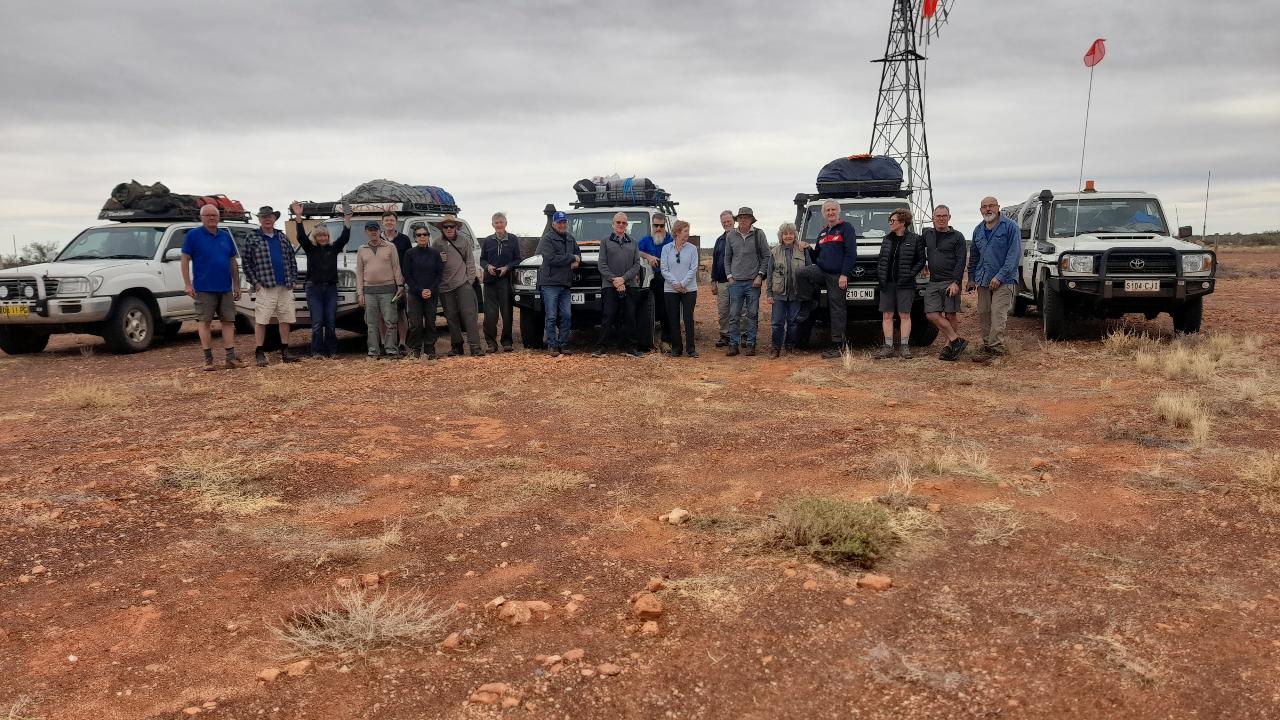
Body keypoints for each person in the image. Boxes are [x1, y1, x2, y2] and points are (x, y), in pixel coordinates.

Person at [181, 204, 246, 370]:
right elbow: (185, 259)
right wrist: (188, 284)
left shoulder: (225, 236)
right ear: (201, 217)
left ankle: (230, 358)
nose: (211, 218)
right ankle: (208, 360)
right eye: (208, 215)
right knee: (204, 322)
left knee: (228, 321)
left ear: (219, 217)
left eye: (214, 215)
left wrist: (236, 285)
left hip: (225, 287)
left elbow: (232, 261)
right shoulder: (193, 235)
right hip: (203, 287)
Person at [797, 199, 858, 359]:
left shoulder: (847, 228)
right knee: (801, 273)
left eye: (833, 210)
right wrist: (808, 248)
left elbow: (851, 253)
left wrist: (845, 274)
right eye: (827, 210)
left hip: (837, 275)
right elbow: (817, 255)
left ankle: (838, 346)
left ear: (838, 211)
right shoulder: (823, 233)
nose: (830, 213)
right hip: (821, 270)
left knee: (837, 309)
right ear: (824, 214)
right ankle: (808, 302)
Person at [290, 202, 351, 359]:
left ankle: (332, 350)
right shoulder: (310, 249)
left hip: (330, 289)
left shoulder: (334, 248)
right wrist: (298, 217)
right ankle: (316, 351)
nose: (323, 238)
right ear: (315, 238)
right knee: (317, 323)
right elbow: (301, 236)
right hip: (314, 289)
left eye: (325, 235)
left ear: (328, 237)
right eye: (320, 236)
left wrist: (347, 220)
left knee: (330, 322)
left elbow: (344, 238)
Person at [242, 206, 301, 366]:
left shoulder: (282, 237)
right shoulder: (252, 237)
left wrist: (293, 278)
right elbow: (246, 263)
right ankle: (259, 351)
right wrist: (255, 282)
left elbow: (291, 259)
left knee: (285, 318)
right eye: (264, 217)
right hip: (266, 286)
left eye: (270, 216)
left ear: (275, 219)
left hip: (285, 285)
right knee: (261, 320)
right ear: (259, 219)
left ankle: (285, 349)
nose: (267, 219)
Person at [967, 196, 1021, 363]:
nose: (988, 209)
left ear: (998, 208)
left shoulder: (1010, 227)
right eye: (984, 207)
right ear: (980, 210)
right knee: (984, 313)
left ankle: (996, 350)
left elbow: (1014, 255)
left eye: (991, 206)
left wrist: (1000, 276)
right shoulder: (978, 230)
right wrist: (971, 278)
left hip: (1005, 281)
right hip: (983, 280)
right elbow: (974, 256)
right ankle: (986, 347)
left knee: (998, 314)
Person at [873, 208, 926, 360]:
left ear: (902, 222)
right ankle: (888, 347)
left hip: (905, 284)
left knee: (904, 314)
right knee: (887, 315)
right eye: (889, 221)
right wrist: (881, 277)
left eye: (893, 221)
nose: (890, 223)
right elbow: (881, 260)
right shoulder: (887, 239)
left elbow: (921, 260)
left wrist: (910, 275)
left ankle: (904, 346)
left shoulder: (915, 239)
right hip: (887, 284)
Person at [592, 212, 645, 358]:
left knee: (630, 316)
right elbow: (602, 264)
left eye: (624, 223)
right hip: (610, 285)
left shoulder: (633, 242)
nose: (621, 225)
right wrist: (615, 280)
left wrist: (623, 279)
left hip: (630, 284)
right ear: (613, 224)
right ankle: (601, 347)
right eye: (618, 222)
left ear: (627, 225)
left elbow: (636, 265)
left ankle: (630, 347)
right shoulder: (605, 241)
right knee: (608, 315)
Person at [922, 205, 968, 361]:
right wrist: (923, 263)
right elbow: (919, 249)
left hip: (950, 281)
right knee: (931, 314)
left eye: (944, 215)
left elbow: (961, 261)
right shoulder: (927, 234)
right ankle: (956, 341)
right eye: (938, 216)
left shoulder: (958, 236)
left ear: (949, 217)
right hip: (933, 282)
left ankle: (950, 348)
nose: (941, 218)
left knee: (950, 314)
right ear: (933, 218)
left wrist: (956, 282)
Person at [722, 206, 770, 356]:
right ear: (737, 220)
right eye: (741, 217)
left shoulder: (759, 234)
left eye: (746, 218)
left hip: (753, 283)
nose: (743, 220)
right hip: (735, 282)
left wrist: (760, 275)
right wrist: (729, 276)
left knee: (752, 314)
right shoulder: (731, 236)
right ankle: (733, 344)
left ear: (751, 220)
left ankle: (751, 344)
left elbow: (766, 256)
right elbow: (727, 258)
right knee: (734, 315)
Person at [434, 215, 484, 357]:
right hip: (444, 285)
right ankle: (457, 347)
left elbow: (470, 261)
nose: (449, 229)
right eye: (446, 227)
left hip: (463, 283)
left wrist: (469, 281)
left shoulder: (464, 241)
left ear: (456, 228)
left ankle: (475, 347)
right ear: (442, 229)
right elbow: (433, 264)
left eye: (452, 226)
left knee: (469, 316)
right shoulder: (436, 243)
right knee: (451, 317)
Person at [355, 220, 403, 358]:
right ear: (366, 232)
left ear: (379, 230)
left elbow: (396, 266)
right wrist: (360, 293)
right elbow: (359, 272)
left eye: (375, 229)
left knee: (390, 321)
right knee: (371, 324)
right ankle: (373, 351)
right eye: (370, 229)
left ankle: (391, 350)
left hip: (388, 289)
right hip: (369, 291)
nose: (373, 232)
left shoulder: (390, 246)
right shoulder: (361, 249)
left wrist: (399, 285)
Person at [536, 211, 580, 356]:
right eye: (559, 222)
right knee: (551, 316)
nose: (562, 225)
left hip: (566, 284)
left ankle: (564, 344)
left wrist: (576, 260)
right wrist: (571, 259)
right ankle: (552, 345)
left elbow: (578, 255)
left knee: (567, 315)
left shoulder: (570, 238)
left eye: (564, 222)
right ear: (553, 224)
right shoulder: (547, 239)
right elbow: (550, 259)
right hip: (550, 283)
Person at [480, 212, 521, 352]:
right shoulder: (487, 240)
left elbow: (517, 259)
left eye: (501, 222)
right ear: (492, 225)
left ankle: (507, 341)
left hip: (505, 280)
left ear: (506, 223)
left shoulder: (513, 239)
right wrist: (487, 266)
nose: (499, 225)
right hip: (490, 281)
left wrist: (507, 267)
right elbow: (482, 259)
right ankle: (491, 343)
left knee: (507, 313)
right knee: (490, 315)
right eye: (496, 223)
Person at [767, 222, 809, 358]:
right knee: (777, 323)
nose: (788, 236)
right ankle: (775, 348)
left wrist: (806, 292)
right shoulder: (774, 251)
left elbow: (809, 270)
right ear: (781, 236)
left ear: (795, 235)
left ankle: (790, 347)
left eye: (791, 233)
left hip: (796, 294)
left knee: (793, 322)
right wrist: (769, 293)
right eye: (785, 234)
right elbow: (769, 274)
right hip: (779, 294)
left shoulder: (802, 250)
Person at [401, 222, 443, 359]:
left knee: (431, 322)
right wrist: (419, 291)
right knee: (416, 323)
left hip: (432, 292)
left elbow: (439, 274)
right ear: (415, 238)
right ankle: (415, 349)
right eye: (419, 235)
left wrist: (430, 289)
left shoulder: (435, 253)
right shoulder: (409, 253)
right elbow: (407, 275)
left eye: (425, 234)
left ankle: (430, 348)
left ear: (428, 236)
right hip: (415, 293)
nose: (422, 237)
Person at [660, 220, 700, 358]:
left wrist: (682, 284)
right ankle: (676, 348)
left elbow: (693, 268)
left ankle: (691, 349)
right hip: (670, 290)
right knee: (673, 319)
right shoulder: (666, 248)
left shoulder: (692, 249)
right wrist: (676, 284)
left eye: (688, 231)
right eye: (685, 231)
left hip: (689, 289)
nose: (688, 234)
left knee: (688, 319)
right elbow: (664, 269)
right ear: (677, 232)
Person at [637, 214, 674, 349]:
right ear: (652, 226)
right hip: (649, 280)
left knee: (667, 308)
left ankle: (666, 340)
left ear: (665, 226)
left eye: (661, 226)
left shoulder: (670, 240)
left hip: (667, 278)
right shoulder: (646, 240)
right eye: (656, 225)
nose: (658, 228)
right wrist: (648, 256)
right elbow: (636, 250)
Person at [383, 211, 412, 352]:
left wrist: (404, 279)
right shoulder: (378, 239)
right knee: (383, 314)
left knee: (401, 313)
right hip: (382, 282)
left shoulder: (404, 239)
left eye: (391, 220)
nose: (389, 222)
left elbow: (409, 260)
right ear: (382, 222)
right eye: (386, 220)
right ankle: (384, 343)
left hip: (399, 282)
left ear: (396, 222)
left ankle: (402, 342)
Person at [710, 210, 734, 347]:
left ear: (733, 221)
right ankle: (725, 335)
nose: (726, 224)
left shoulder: (739, 238)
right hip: (722, 281)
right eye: (724, 222)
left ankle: (741, 336)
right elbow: (715, 261)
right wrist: (713, 281)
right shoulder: (719, 240)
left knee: (739, 310)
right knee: (723, 310)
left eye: (728, 221)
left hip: (737, 281)